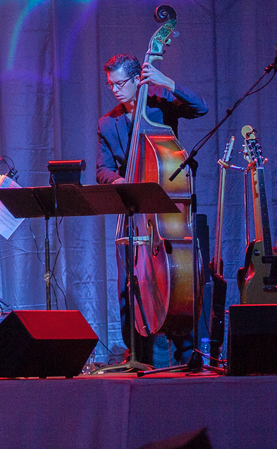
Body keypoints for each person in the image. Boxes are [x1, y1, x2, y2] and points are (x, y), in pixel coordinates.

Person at [95, 53, 208, 365]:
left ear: (137, 80)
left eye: (120, 83)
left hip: (166, 213)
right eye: (111, 85)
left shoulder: (161, 104)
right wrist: (121, 179)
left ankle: (187, 354)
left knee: (176, 281)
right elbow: (101, 170)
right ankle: (138, 354)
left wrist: (166, 82)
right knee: (127, 287)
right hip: (132, 215)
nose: (115, 90)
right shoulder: (108, 122)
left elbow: (201, 108)